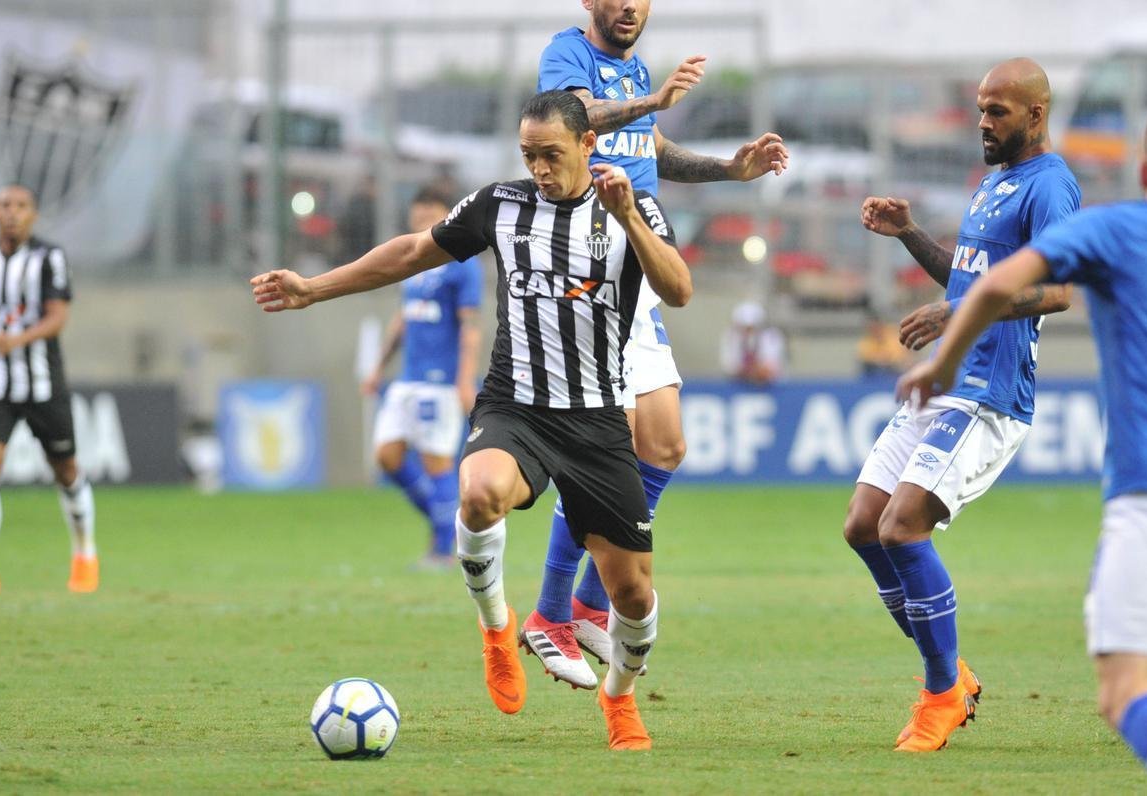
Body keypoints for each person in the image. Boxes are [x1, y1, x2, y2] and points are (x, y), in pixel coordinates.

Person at [252, 90, 691, 750]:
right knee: (480, 492)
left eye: (551, 154)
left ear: (587, 144)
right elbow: (411, 252)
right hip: (516, 407)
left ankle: (619, 698)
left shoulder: (634, 207)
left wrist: (628, 217)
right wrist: (315, 289)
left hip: (597, 419)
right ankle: (496, 628)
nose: (539, 168)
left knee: (631, 596)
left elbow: (679, 290)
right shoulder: (501, 205)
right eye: (528, 155)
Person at [897, 95, 1147, 794]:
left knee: (1129, 688)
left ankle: (944, 687)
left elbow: (1004, 283)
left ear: (1145, 170)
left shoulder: (1114, 227)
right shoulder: (1006, 184)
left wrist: (941, 363)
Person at [525, 0, 789, 690]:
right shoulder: (568, 55)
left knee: (664, 446)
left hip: (638, 256)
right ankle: (551, 612)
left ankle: (587, 602)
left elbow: (653, 148)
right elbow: (577, 118)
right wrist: (655, 99)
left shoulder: (635, 69)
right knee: (603, 448)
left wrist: (729, 169)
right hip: (593, 258)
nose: (628, 5)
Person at [843, 58, 1080, 752]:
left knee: (902, 527)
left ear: (1035, 114)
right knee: (863, 525)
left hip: (990, 394)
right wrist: (910, 233)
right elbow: (968, 278)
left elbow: (1060, 291)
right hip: (947, 382)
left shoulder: (1050, 184)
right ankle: (953, 674)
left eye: (997, 111)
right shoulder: (994, 182)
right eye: (980, 108)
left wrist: (958, 313)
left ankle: (941, 692)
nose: (983, 122)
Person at [359, 186, 482, 570]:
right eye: (418, 213)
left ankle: (442, 549)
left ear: (448, 216)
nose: (422, 220)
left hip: (439, 380)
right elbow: (403, 319)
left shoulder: (462, 263)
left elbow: (471, 327)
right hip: (407, 378)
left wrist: (464, 380)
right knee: (387, 455)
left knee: (436, 461)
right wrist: (378, 366)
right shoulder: (413, 263)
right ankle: (448, 524)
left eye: (430, 213)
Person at [0, 185, 97, 594]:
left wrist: (15, 340)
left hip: (43, 383)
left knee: (65, 469)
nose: (12, 213)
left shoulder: (49, 258)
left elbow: (57, 317)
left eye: (20, 206)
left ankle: (85, 552)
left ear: (32, 214)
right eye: (4, 206)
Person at [719, 300, 786, 384]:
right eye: (743, 328)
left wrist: (750, 371)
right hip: (738, 385)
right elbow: (729, 367)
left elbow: (768, 370)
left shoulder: (771, 336)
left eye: (751, 328)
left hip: (770, 386)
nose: (747, 332)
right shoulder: (731, 336)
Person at [856, 313, 910, 379]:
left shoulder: (893, 336)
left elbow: (900, 357)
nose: (875, 330)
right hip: (875, 371)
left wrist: (885, 360)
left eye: (876, 327)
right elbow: (865, 358)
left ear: (881, 325)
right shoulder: (866, 342)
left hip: (895, 371)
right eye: (871, 328)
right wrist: (881, 360)